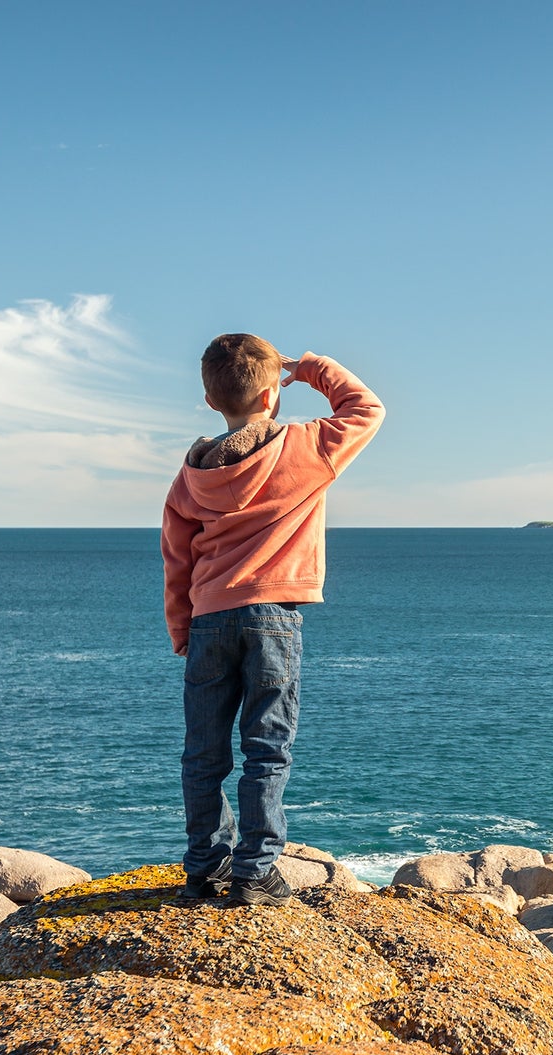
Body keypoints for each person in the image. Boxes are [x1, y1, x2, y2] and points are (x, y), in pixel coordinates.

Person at [161, 334, 383, 905]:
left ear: (211, 401)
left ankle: (205, 864)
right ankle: (255, 868)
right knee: (267, 747)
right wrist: (306, 367)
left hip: (209, 619)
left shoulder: (191, 476)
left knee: (202, 751)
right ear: (270, 396)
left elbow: (177, 555)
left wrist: (180, 626)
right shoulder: (306, 447)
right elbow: (366, 408)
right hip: (272, 617)